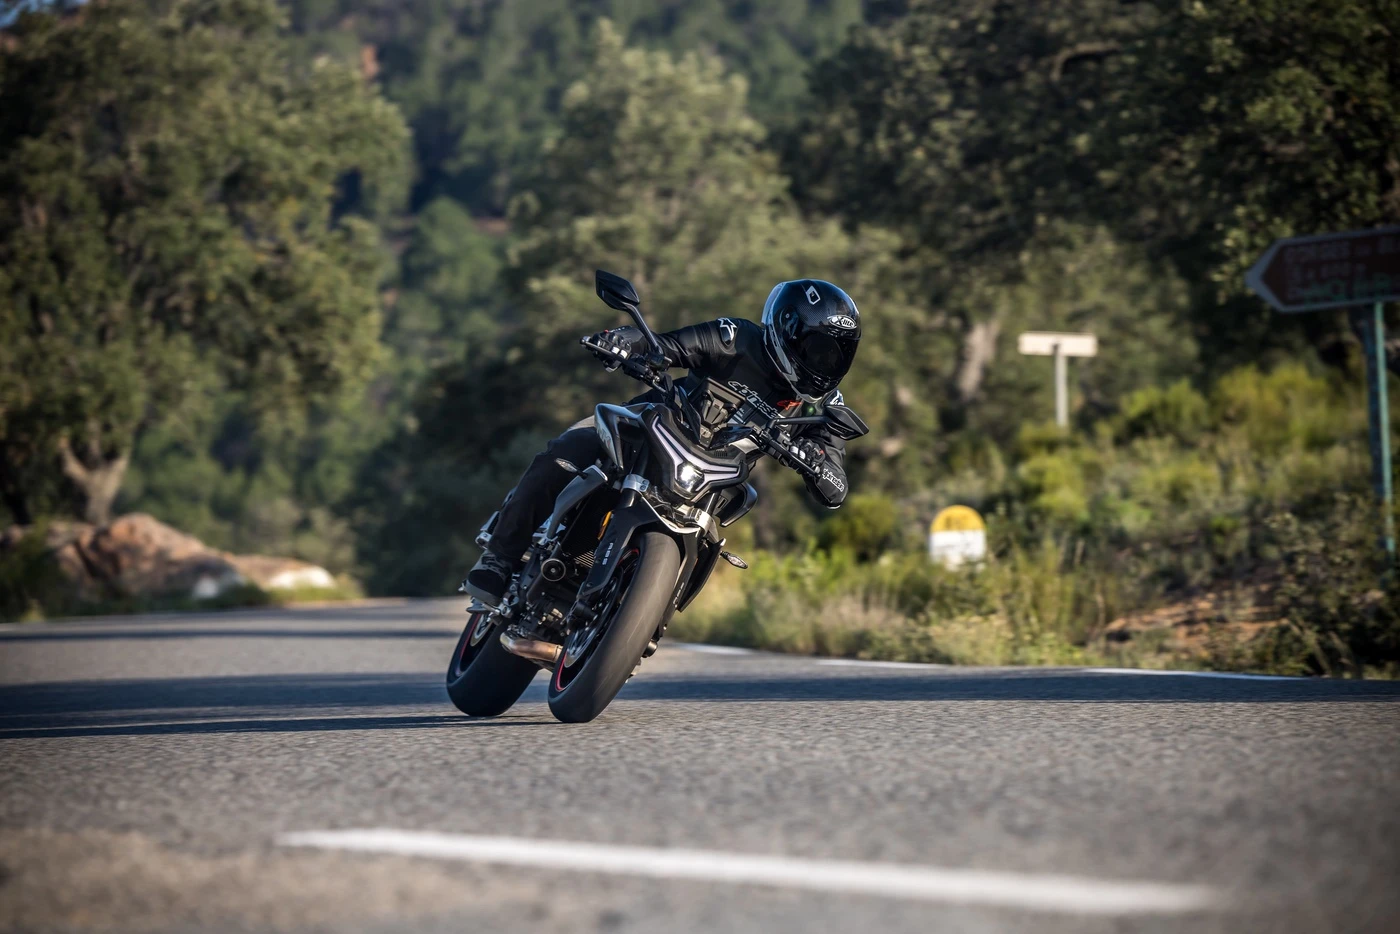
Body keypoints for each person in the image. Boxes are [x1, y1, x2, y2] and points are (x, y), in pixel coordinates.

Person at [462, 278, 862, 605]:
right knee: (567, 451)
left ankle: (645, 613)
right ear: (787, 330)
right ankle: (499, 557)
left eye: (836, 355)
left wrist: (819, 465)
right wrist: (626, 342)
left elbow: (835, 480)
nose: (824, 363)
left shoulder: (824, 407)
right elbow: (669, 345)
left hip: (712, 479)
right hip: (650, 428)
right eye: (817, 349)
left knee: (713, 539)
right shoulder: (737, 337)